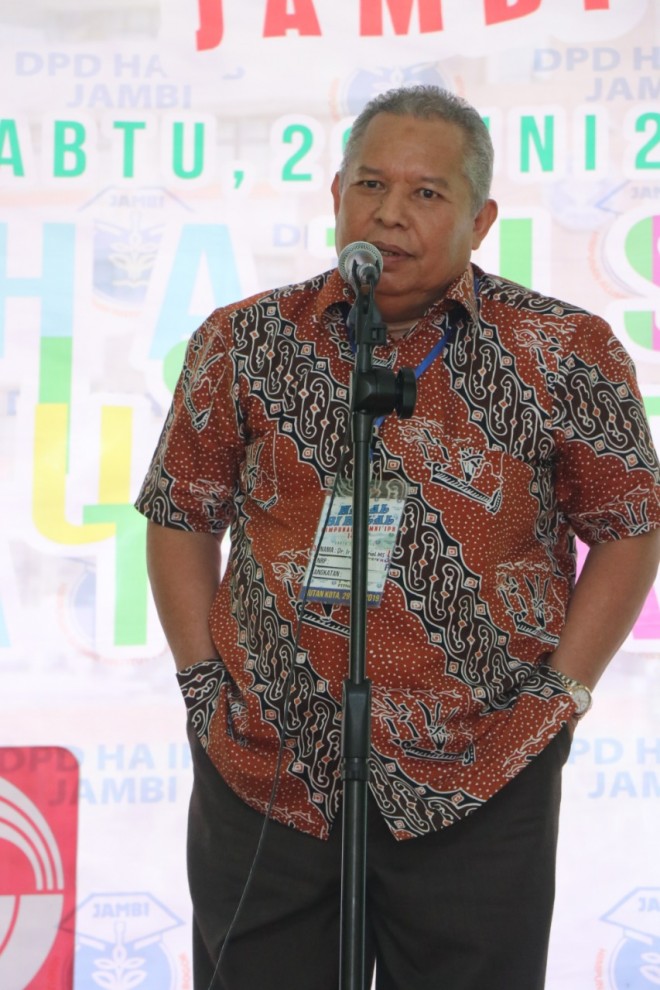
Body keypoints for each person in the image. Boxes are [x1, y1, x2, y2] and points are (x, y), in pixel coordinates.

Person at [136, 85, 660, 990]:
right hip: (267, 765)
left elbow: (629, 527)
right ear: (336, 193)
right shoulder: (245, 340)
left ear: (481, 220)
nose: (389, 213)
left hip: (483, 770)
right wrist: (202, 685)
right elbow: (181, 512)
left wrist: (558, 698)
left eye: (426, 193)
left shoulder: (565, 349)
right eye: (371, 184)